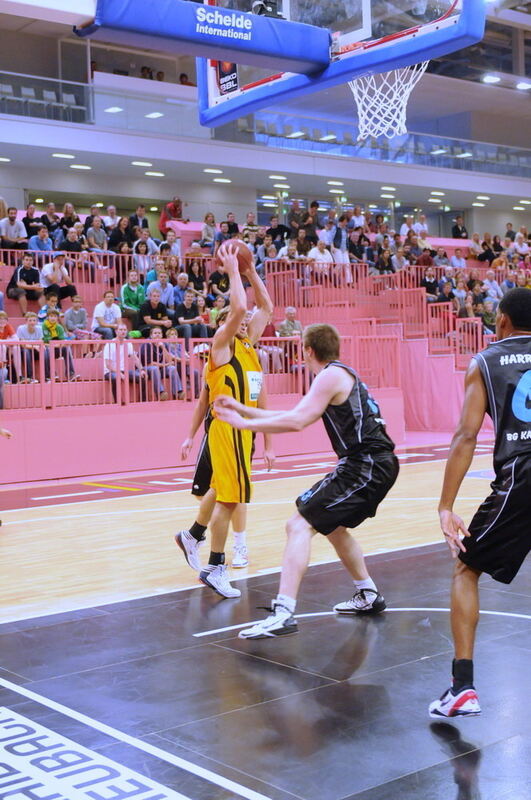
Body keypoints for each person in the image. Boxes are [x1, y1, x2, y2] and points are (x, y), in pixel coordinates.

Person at [214, 322, 399, 637]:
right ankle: (367, 594)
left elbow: (297, 421)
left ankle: (283, 612)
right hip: (370, 463)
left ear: (308, 350)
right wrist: (242, 410)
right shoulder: (338, 374)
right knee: (333, 526)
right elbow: (294, 414)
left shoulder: (329, 376)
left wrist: (241, 422)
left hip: (366, 464)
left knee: (298, 524)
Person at [430, 288, 531, 718]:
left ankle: (462, 687)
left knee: (466, 567)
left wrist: (445, 505)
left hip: (522, 478)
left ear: (503, 321)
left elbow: (465, 436)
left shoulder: (486, 361)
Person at [175, 242, 273, 598]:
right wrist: (232, 270)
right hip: (226, 430)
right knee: (230, 499)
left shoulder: (249, 345)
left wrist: (249, 271)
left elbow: (265, 306)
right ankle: (216, 565)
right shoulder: (222, 345)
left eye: (247, 322)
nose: (246, 320)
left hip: (242, 431)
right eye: (239, 320)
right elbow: (242, 307)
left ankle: (192, 536)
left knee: (221, 491)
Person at [176, 318, 275, 571]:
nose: (241, 324)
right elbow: (201, 403)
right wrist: (189, 436)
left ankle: (231, 549)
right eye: (233, 321)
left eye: (243, 322)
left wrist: (269, 445)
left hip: (241, 432)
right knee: (213, 491)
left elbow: (263, 407)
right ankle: (194, 535)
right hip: (217, 432)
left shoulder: (250, 360)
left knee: (234, 492)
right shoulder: (216, 360)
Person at [104, 322, 146, 402]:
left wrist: (142, 369)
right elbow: (108, 365)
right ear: (116, 331)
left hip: (124, 370)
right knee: (115, 377)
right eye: (121, 330)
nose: (123, 332)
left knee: (142, 377)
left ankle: (142, 401)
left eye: (125, 330)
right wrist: (119, 372)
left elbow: (135, 358)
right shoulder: (109, 344)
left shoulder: (128, 343)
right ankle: (118, 401)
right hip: (110, 371)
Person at [42, 309, 79, 381]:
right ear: (48, 317)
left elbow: (62, 341)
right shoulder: (44, 326)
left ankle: (70, 374)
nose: (53, 318)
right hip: (47, 348)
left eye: (55, 316)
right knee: (47, 350)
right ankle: (50, 375)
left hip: (56, 348)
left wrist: (60, 344)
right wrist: (55, 344)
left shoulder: (59, 327)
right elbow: (45, 340)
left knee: (67, 348)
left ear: (57, 318)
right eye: (51, 316)